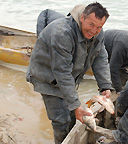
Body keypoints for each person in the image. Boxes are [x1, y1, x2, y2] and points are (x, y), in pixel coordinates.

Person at [26, 3, 113, 144]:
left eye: (99, 27)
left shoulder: (98, 33)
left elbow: (100, 57)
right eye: (91, 24)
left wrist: (105, 85)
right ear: (82, 18)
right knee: (61, 119)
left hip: (67, 77)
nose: (94, 31)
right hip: (47, 77)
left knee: (73, 116)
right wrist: (75, 105)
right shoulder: (62, 33)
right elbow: (62, 72)